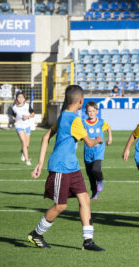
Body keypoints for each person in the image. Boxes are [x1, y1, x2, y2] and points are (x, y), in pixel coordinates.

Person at [28, 85, 105, 251]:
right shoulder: (74, 120)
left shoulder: (63, 115)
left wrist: (40, 163)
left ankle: (88, 241)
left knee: (84, 199)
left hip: (72, 167)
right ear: (81, 101)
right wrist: (98, 139)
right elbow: (90, 143)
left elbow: (45, 137)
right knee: (60, 206)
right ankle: (36, 234)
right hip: (60, 167)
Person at [82, 101, 112, 200]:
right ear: (86, 112)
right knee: (90, 175)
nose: (91, 113)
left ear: (96, 111)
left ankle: (100, 181)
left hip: (98, 151)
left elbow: (108, 127)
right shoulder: (83, 123)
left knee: (96, 169)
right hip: (88, 152)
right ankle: (94, 193)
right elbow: (81, 136)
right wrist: (82, 137)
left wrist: (110, 138)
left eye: (93, 111)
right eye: (89, 111)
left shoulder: (101, 122)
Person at [12, 91, 35, 166]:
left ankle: (23, 152)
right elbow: (13, 116)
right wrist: (14, 119)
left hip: (27, 126)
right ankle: (27, 160)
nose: (20, 98)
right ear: (16, 98)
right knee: (24, 142)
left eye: (22, 97)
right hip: (19, 126)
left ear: (24, 98)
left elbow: (33, 114)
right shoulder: (14, 107)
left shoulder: (27, 106)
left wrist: (27, 117)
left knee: (27, 145)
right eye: (19, 97)